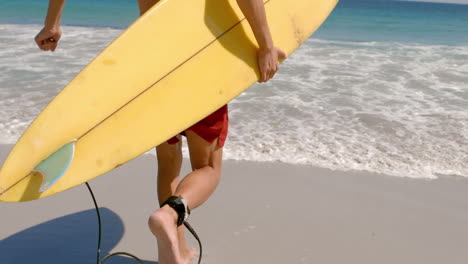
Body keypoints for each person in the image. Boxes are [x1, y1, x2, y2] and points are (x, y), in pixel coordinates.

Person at [35, 0, 286, 263]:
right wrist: (265, 45)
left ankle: (176, 251)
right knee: (208, 167)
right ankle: (171, 213)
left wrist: (52, 24)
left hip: (152, 64)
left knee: (168, 162)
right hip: (197, 60)